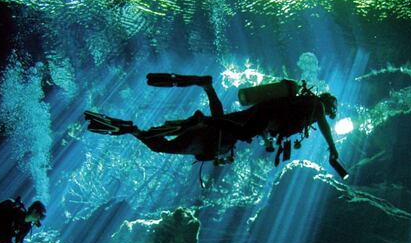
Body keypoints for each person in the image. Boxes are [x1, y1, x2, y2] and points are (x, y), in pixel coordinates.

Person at [84, 73, 348, 177]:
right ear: (328, 104)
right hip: (251, 122)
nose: (328, 114)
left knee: (230, 125)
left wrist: (267, 137)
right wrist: (332, 149)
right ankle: (140, 128)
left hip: (253, 120)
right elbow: (324, 123)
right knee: (236, 130)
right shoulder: (316, 107)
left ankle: (206, 90)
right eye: (331, 110)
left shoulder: (303, 107)